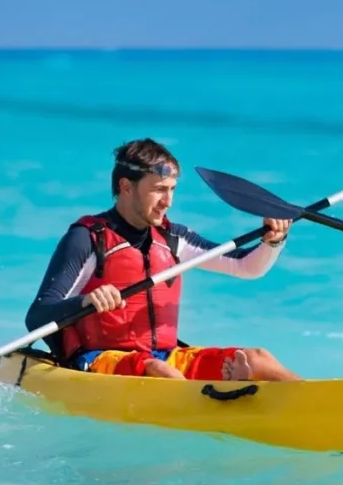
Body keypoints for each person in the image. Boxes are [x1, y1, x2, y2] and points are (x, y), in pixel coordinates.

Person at [24, 138, 301, 382]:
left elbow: (245, 266)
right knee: (161, 370)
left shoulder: (172, 238)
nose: (167, 201)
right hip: (102, 360)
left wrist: (273, 240)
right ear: (126, 187)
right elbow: (37, 315)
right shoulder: (88, 239)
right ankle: (212, 397)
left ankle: (317, 402)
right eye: (159, 189)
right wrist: (85, 301)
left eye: (172, 189)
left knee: (257, 358)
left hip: (166, 356)